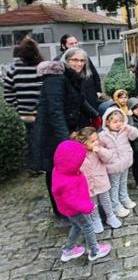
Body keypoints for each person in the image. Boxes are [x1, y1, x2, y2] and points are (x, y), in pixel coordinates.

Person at [35, 48, 99, 215]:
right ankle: (60, 209)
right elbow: (55, 110)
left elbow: (81, 101)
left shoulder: (74, 78)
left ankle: (71, 203)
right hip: (52, 132)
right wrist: (65, 140)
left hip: (66, 129)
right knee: (54, 170)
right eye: (75, 60)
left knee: (68, 171)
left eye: (82, 60)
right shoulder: (55, 78)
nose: (79, 63)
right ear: (66, 60)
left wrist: (96, 115)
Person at [52, 139, 111, 262]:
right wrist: (88, 207)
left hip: (68, 210)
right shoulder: (67, 181)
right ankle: (94, 251)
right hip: (76, 210)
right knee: (88, 226)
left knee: (76, 225)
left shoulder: (60, 170)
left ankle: (68, 250)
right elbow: (72, 200)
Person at [3, 36, 43, 171]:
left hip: (23, 111)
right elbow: (46, 88)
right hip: (40, 110)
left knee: (29, 138)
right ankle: (37, 165)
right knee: (39, 137)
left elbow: (8, 91)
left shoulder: (13, 69)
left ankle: (30, 165)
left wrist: (15, 106)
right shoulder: (40, 67)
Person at [71, 127, 122, 233]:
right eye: (92, 141)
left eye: (96, 139)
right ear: (84, 143)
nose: (96, 143)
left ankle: (110, 216)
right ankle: (96, 220)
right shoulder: (78, 153)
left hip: (101, 181)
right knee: (92, 204)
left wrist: (100, 150)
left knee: (106, 200)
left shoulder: (98, 150)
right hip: (88, 184)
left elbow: (109, 157)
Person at [99, 107, 138, 217]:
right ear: (107, 122)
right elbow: (100, 151)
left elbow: (135, 135)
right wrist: (108, 157)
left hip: (125, 162)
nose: (118, 124)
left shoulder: (125, 130)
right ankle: (115, 206)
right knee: (114, 186)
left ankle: (124, 198)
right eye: (115, 121)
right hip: (113, 166)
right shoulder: (102, 136)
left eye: (121, 121)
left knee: (123, 182)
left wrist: (128, 127)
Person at [54, 34, 102, 111]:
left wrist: (98, 91)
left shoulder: (84, 56)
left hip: (90, 93)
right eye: (71, 44)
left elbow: (94, 74)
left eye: (76, 43)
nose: (75, 45)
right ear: (63, 46)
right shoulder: (58, 61)